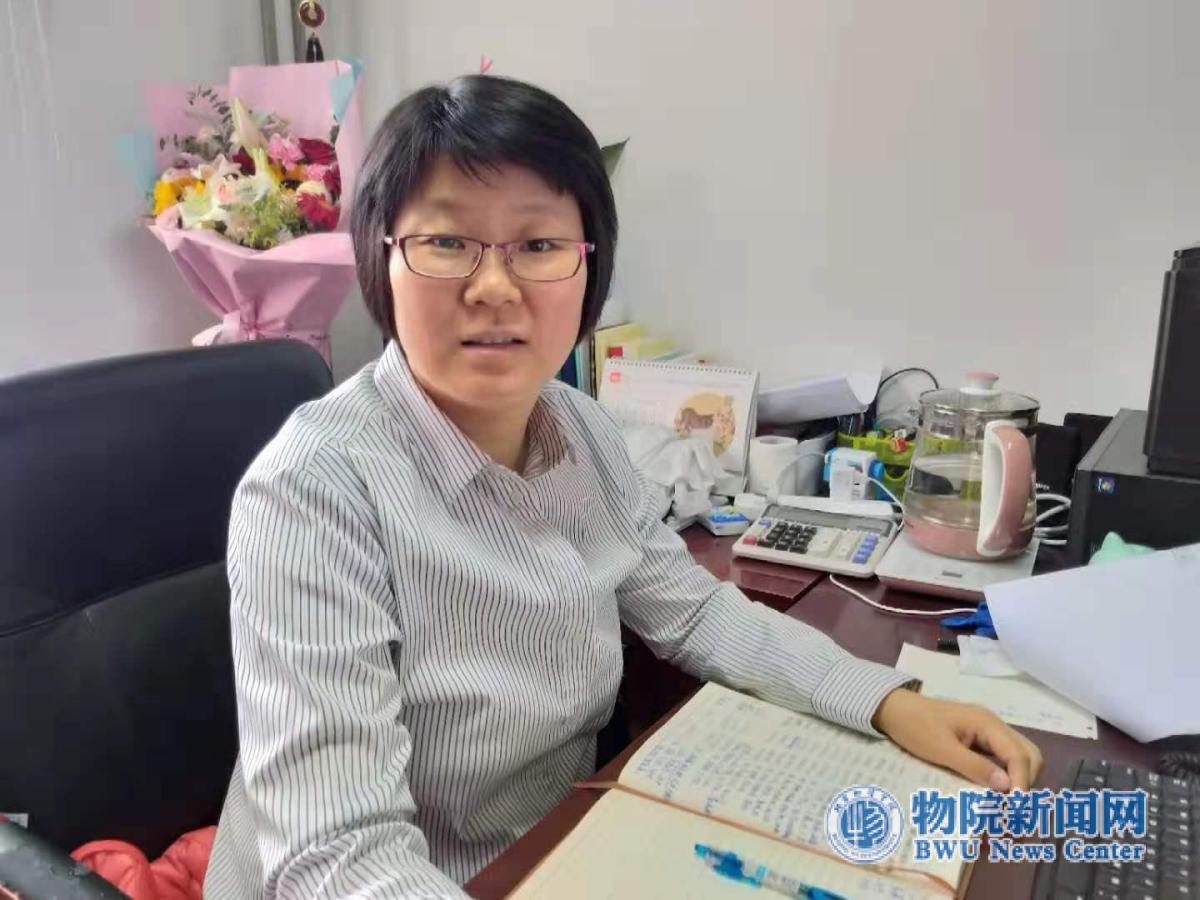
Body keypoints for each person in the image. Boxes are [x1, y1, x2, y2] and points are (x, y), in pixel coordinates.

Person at [204, 74, 1041, 898]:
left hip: (550, 851)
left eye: (538, 245)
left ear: (587, 269)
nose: (494, 288)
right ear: (382, 259)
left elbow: (695, 612)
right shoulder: (313, 491)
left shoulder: (582, 429)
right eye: (448, 243)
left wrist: (887, 702)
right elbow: (338, 857)